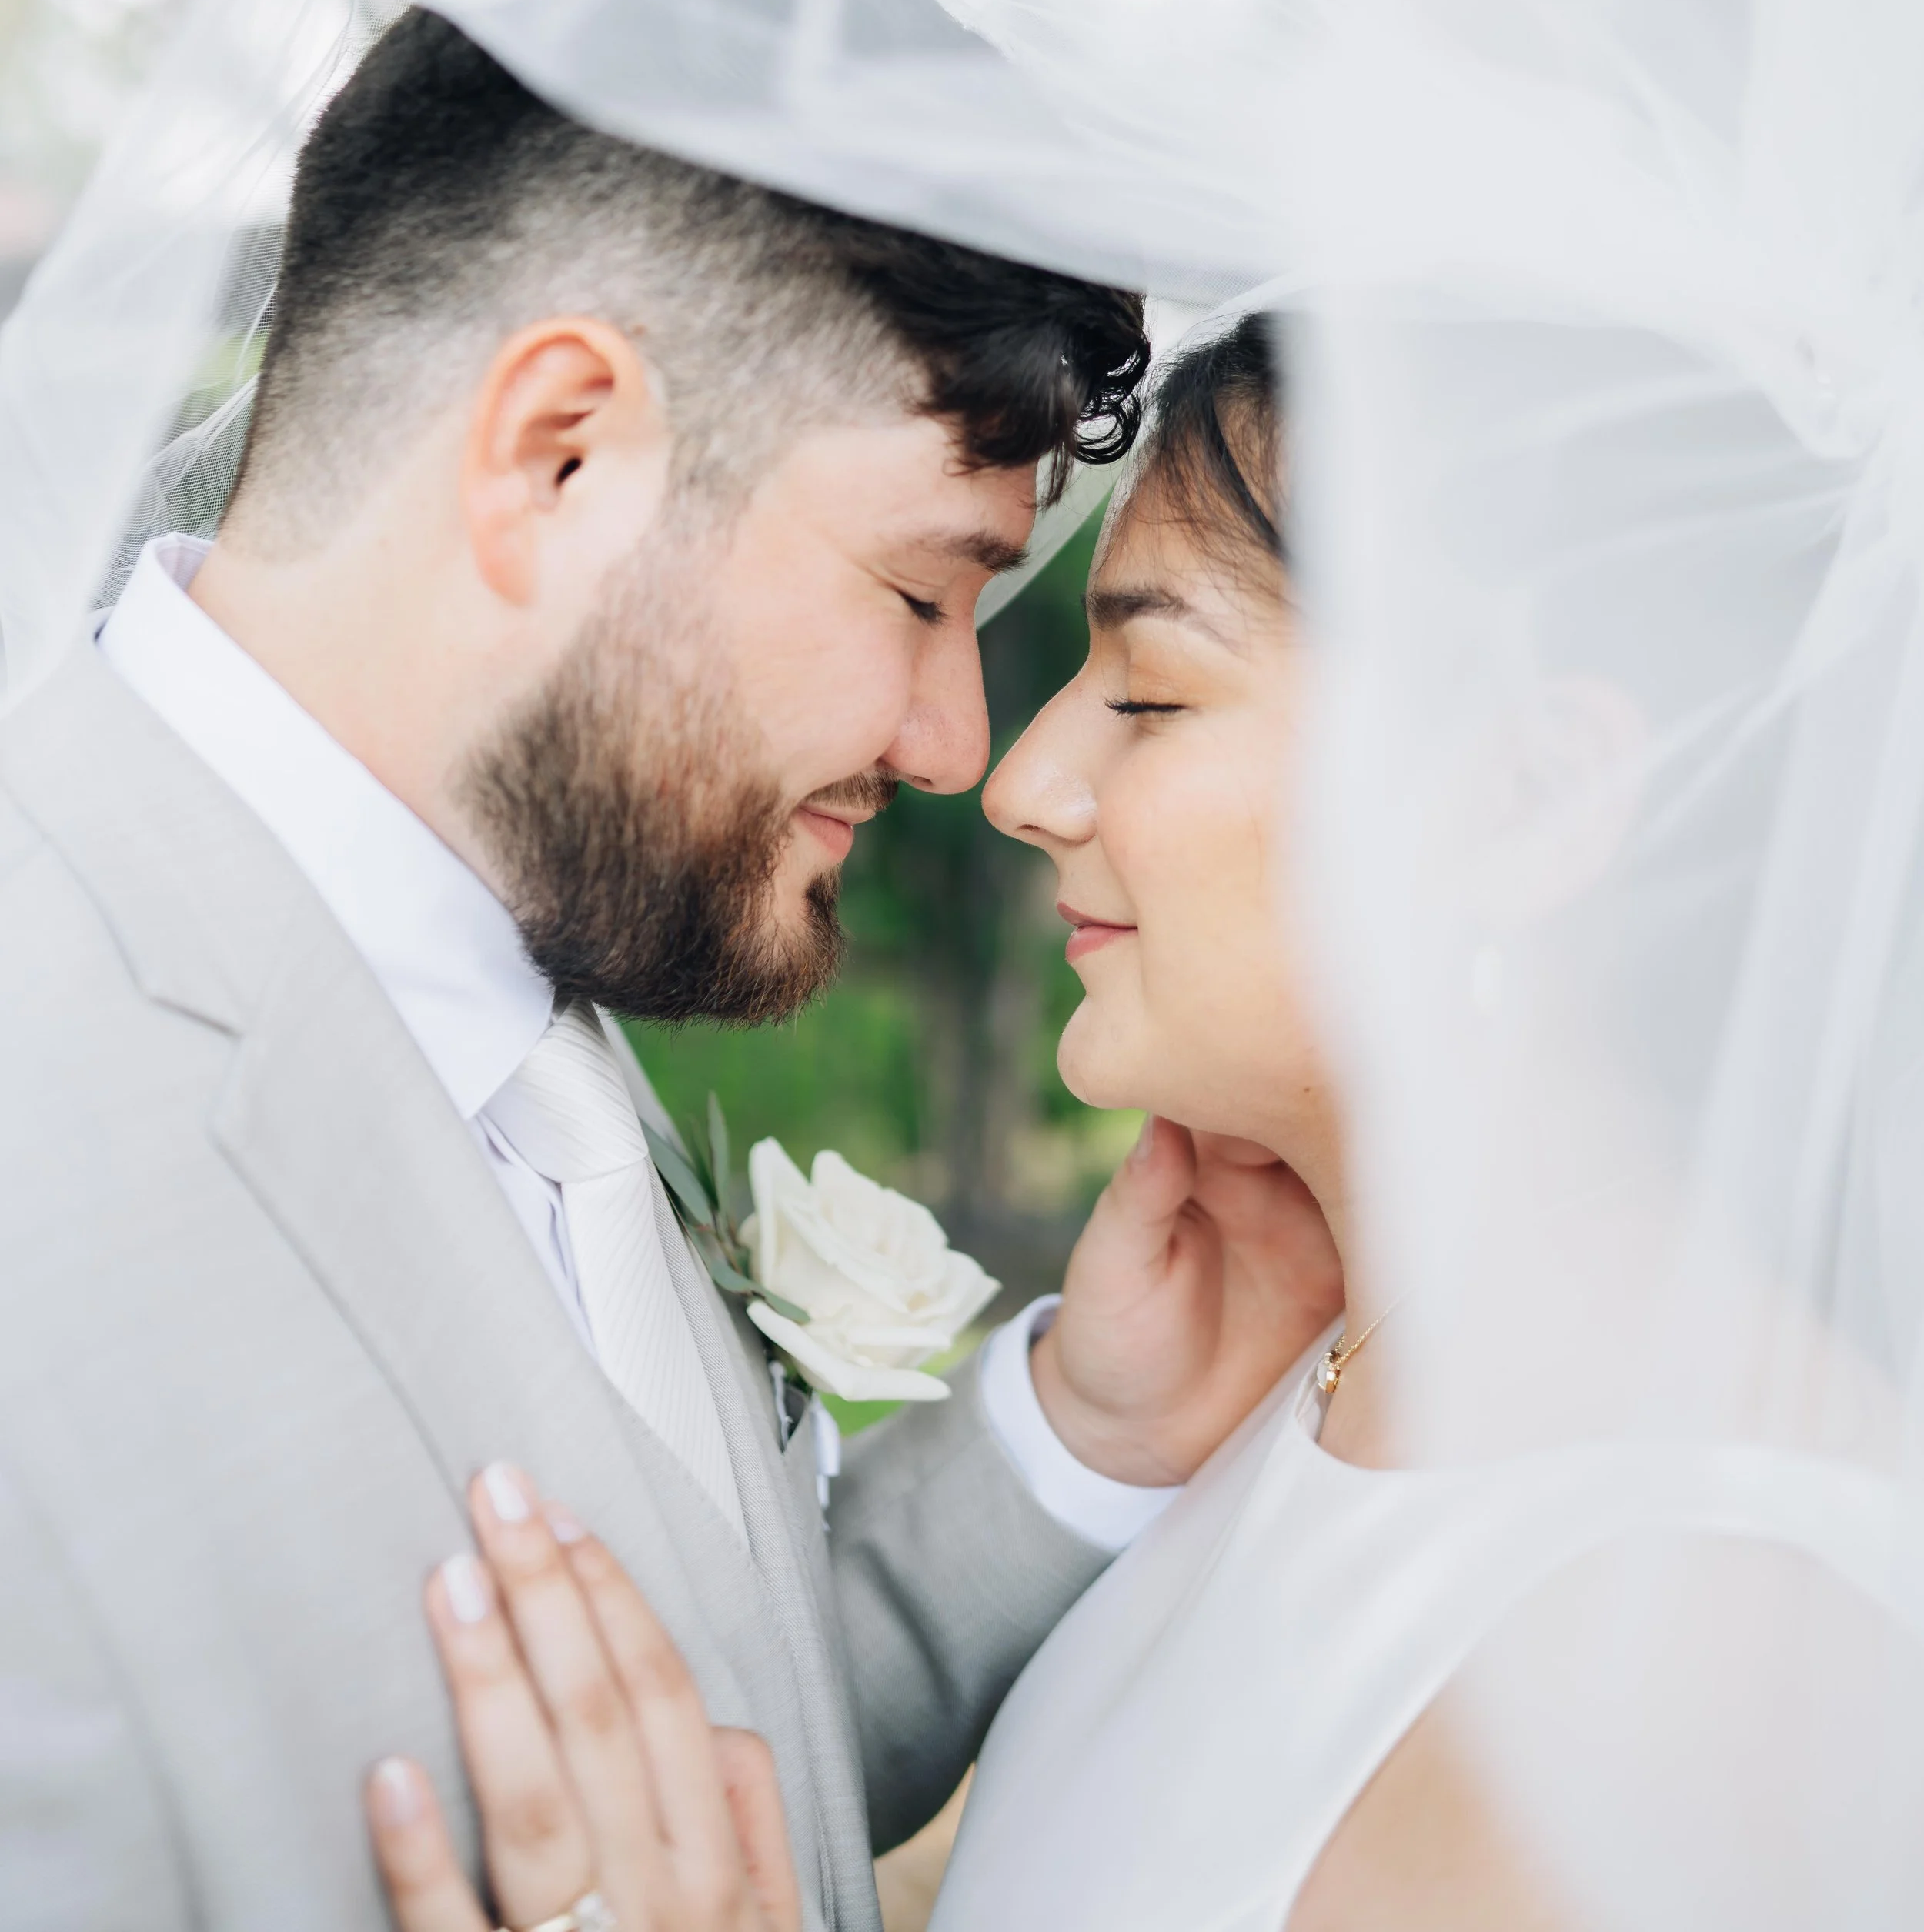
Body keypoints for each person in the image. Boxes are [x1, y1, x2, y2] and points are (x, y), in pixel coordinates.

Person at [0, 8, 1341, 1931]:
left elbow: (693, 1753)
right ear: (558, 455)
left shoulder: (528, 974)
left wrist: (1072, 1446)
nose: (958, 744)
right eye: (918, 592)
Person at [398, 314, 1924, 1932]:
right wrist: (1091, 1434)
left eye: (1148, 696)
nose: (1018, 781)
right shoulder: (1306, 1394)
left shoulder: (1712, 1675)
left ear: (1530, 799)